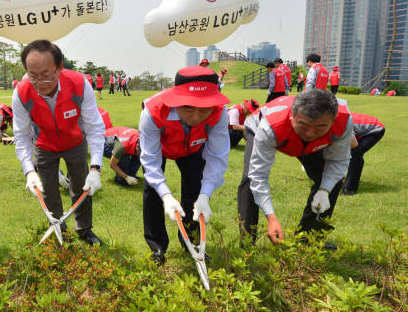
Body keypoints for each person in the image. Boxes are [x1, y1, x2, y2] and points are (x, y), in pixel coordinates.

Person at [13, 39, 105, 246]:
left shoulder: (79, 84)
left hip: (75, 142)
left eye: (46, 75)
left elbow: (95, 127)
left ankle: (84, 229)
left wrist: (96, 168)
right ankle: (57, 228)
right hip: (45, 145)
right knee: (48, 190)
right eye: (32, 75)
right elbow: (21, 135)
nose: (39, 82)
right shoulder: (21, 92)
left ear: (60, 67)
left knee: (81, 187)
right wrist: (29, 171)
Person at [237, 90, 352, 247]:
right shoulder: (270, 126)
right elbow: (258, 175)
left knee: (331, 181)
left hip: (311, 147)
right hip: (264, 129)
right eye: (303, 125)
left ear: (332, 121)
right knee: (249, 181)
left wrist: (324, 190)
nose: (310, 133)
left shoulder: (343, 121)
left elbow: (339, 161)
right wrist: (271, 217)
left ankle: (309, 239)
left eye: (320, 127)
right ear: (292, 115)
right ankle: (247, 243)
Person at [139, 66, 230, 264]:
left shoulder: (220, 112)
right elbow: (151, 162)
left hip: (193, 148)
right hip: (161, 148)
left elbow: (216, 157)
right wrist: (166, 195)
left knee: (195, 190)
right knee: (153, 192)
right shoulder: (153, 111)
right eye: (188, 108)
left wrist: (205, 195)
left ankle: (191, 241)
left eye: (204, 109)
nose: (196, 117)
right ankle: (157, 246)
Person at [343, 113, 385, 196]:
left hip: (375, 129)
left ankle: (349, 189)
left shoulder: (342, 124)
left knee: (355, 154)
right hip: (359, 130)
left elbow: (353, 144)